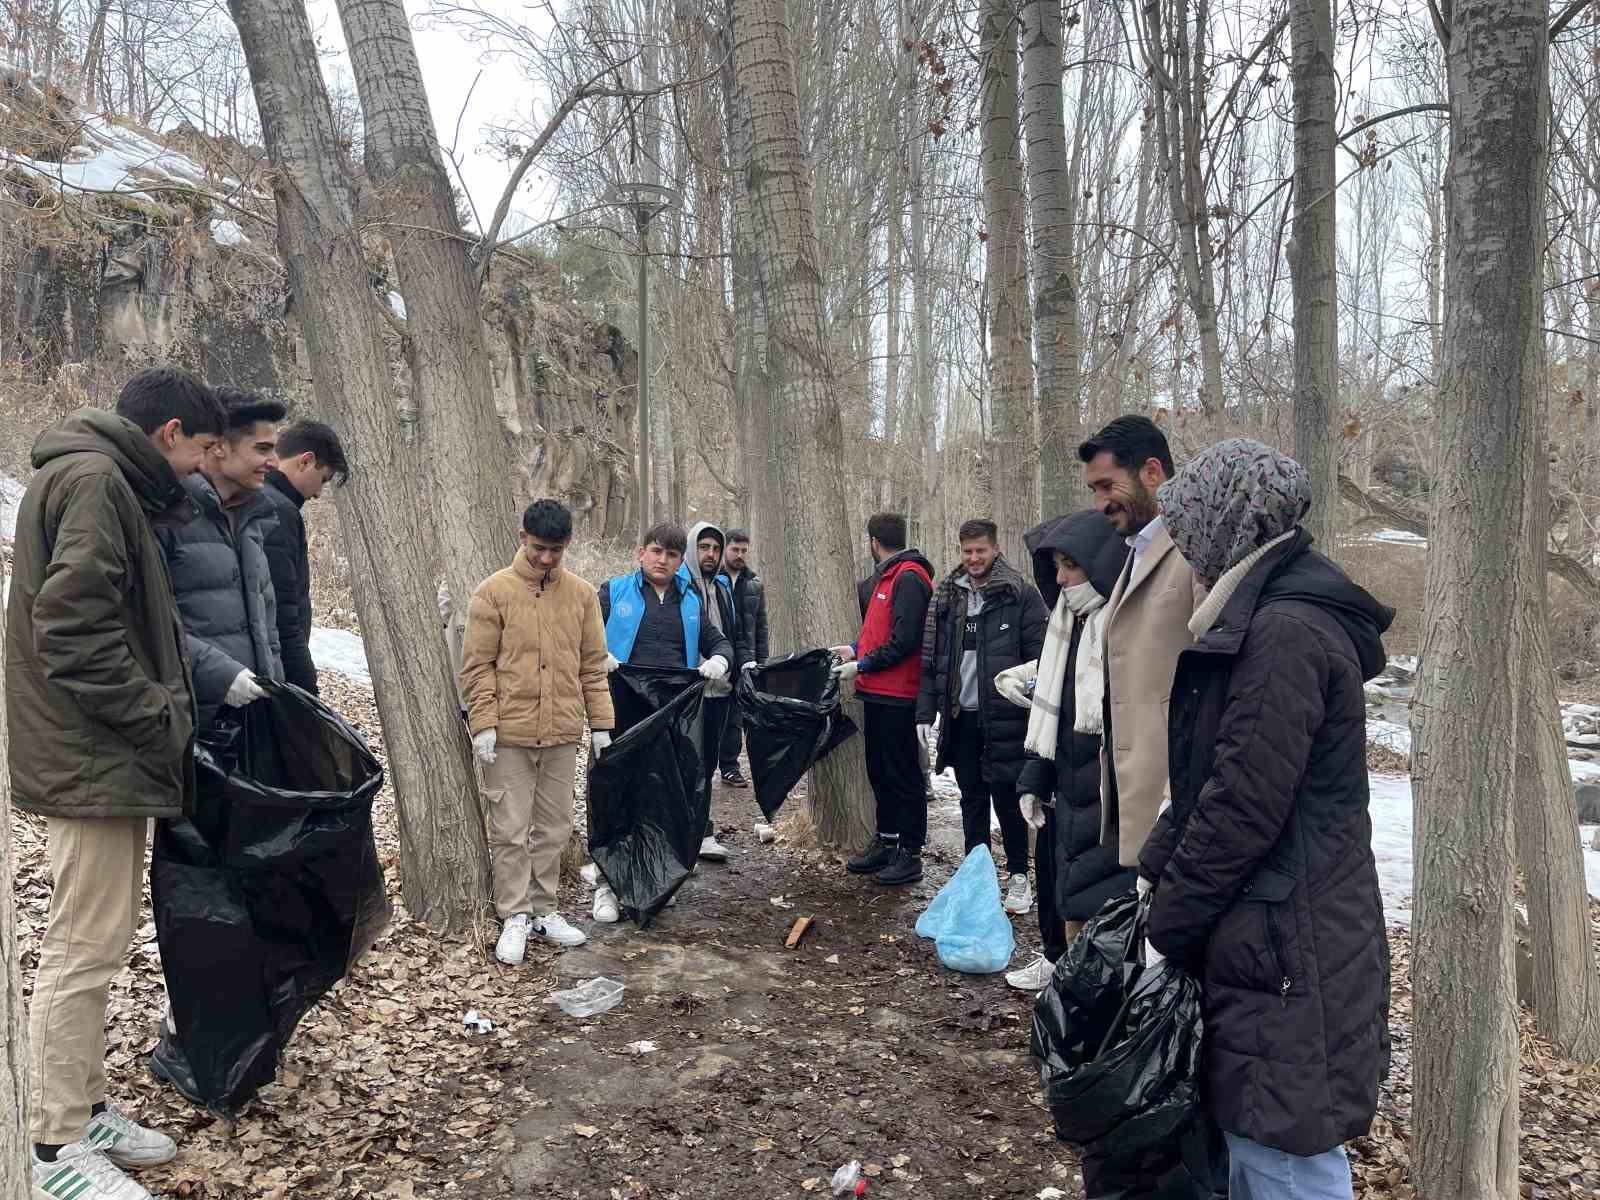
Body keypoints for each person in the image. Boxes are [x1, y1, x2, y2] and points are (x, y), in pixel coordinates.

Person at [1140, 440, 1392, 1200]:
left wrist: (1168, 917)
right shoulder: (1270, 614)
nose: (1186, 553)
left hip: (1288, 944)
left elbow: (1243, 807)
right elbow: (1214, 779)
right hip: (1275, 930)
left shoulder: (1284, 632)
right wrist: (1156, 861)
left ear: (1229, 525)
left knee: (1281, 1149)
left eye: (1191, 534)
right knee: (1257, 1136)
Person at [7, 368, 226, 1200]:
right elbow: (68, 628)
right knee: (82, 945)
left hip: (99, 754)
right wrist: (160, 713)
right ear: (170, 433)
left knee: (97, 941)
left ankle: (83, 1105)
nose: (206, 467)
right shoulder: (97, 481)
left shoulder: (96, 477)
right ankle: (52, 1146)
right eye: (204, 449)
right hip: (90, 756)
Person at [459, 499, 614, 963]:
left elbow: (593, 666)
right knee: (509, 828)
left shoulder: (583, 595)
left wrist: (602, 725)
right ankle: (514, 915)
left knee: (554, 828)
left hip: (564, 732)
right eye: (540, 547)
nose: (547, 558)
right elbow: (477, 667)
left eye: (557, 550)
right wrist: (484, 724)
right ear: (522, 536)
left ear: (568, 546)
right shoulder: (493, 593)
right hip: (508, 734)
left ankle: (545, 909)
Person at [1002, 513, 1131, 994]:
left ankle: (1089, 986)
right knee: (1063, 886)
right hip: (1068, 787)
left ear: (1099, 565)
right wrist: (1034, 775)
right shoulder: (1068, 624)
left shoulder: (1121, 627)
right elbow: (1053, 710)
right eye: (1055, 565)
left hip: (1110, 795)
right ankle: (1063, 967)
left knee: (1102, 902)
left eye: (1070, 566)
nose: (1060, 579)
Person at [594, 523, 734, 921]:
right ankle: (609, 884)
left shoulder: (689, 601)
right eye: (656, 552)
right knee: (615, 794)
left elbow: (719, 642)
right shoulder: (613, 591)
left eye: (672, 555)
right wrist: (597, 655)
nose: (663, 560)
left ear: (679, 561)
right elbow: (581, 636)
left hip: (671, 717)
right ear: (641, 553)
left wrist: (719, 660)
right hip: (619, 711)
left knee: (662, 795)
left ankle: (656, 877)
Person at [1078, 414, 1199, 870]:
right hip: (1144, 813)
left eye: (1108, 486)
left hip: (1182, 811)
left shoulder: (1194, 548)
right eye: (1094, 490)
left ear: (1152, 472)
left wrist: (1176, 798)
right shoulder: (1135, 551)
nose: (1099, 503)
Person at [917, 519, 1048, 913]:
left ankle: (1020, 878)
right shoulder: (947, 598)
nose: (973, 558)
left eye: (980, 551)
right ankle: (976, 877)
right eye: (967, 551)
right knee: (971, 799)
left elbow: (1042, 659)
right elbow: (932, 660)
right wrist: (925, 711)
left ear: (995, 549)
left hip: (1007, 719)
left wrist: (1024, 693)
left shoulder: (1019, 595)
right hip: (961, 718)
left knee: (1008, 799)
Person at [154, 387, 288, 731]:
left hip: (250, 727)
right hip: (188, 725)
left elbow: (268, 630)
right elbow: (146, 621)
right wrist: (221, 677)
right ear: (219, 446)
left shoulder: (256, 519)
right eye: (262, 449)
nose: (274, 463)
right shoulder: (166, 514)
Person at [831, 513, 934, 887]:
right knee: (879, 770)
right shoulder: (885, 580)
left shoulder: (908, 577)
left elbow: (905, 641)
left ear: (874, 542)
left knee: (903, 773)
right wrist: (854, 650)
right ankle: (887, 840)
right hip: (876, 692)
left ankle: (910, 853)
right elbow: (879, 634)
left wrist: (863, 664)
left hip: (898, 695)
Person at [261, 420, 349, 695]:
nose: (317, 493)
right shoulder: (280, 511)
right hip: (279, 668)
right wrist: (306, 686)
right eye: (322, 479)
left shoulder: (265, 500)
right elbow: (283, 610)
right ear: (306, 461)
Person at [685, 520, 740, 860]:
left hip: (720, 688)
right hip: (690, 691)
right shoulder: (680, 587)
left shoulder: (722, 588)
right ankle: (686, 832)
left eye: (715, 548)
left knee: (707, 766)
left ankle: (703, 831)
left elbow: (732, 634)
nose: (710, 554)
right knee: (685, 764)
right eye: (704, 547)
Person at [717, 528, 769, 787]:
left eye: (744, 551)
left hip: (746, 658)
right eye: (735, 549)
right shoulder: (712, 579)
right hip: (716, 656)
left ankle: (729, 767)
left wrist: (762, 663)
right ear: (725, 548)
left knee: (736, 716)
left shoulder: (754, 583)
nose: (739, 555)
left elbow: (761, 627)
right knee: (713, 712)